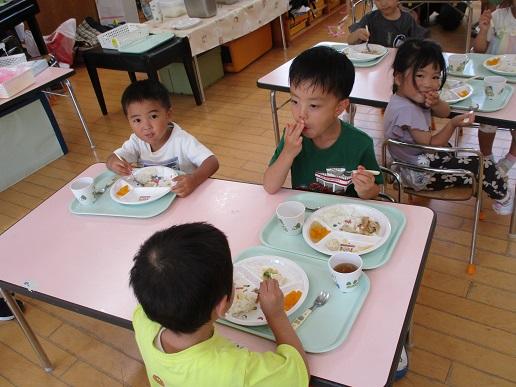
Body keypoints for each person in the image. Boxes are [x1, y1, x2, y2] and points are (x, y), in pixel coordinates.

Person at [129, 222, 309, 387]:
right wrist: (276, 315)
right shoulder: (238, 371)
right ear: (222, 306)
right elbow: (297, 373)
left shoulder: (141, 319)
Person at [384, 38, 512, 215]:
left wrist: (436, 102)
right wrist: (452, 124)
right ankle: (504, 197)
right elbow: (431, 145)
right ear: (398, 77)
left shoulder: (406, 98)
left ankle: (480, 179)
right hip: (420, 175)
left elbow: (444, 112)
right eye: (420, 75)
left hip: (411, 162)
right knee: (482, 164)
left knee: (451, 149)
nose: (429, 83)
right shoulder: (409, 111)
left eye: (435, 77)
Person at [263, 46, 383, 199]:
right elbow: (270, 186)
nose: (301, 114)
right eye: (294, 101)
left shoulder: (360, 144)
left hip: (345, 218)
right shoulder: (292, 140)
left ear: (339, 107)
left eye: (313, 106)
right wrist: (287, 153)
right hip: (307, 217)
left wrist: (366, 190)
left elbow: (374, 192)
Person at [106, 79, 219, 197]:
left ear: (168, 115)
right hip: (152, 197)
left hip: (182, 195)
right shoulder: (136, 141)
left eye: (153, 116)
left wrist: (193, 180)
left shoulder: (181, 140)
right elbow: (114, 158)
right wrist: (113, 163)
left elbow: (212, 162)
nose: (146, 127)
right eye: (137, 120)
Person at [473, 0, 516, 185]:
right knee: (487, 123)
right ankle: (488, 159)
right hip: (493, 79)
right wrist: (483, 29)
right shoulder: (498, 16)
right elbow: (479, 49)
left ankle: (508, 161)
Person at [348, 0, 427, 47]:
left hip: (399, 63)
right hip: (374, 65)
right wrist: (357, 34)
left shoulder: (407, 19)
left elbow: (420, 43)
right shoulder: (369, 18)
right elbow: (349, 41)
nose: (383, 3)